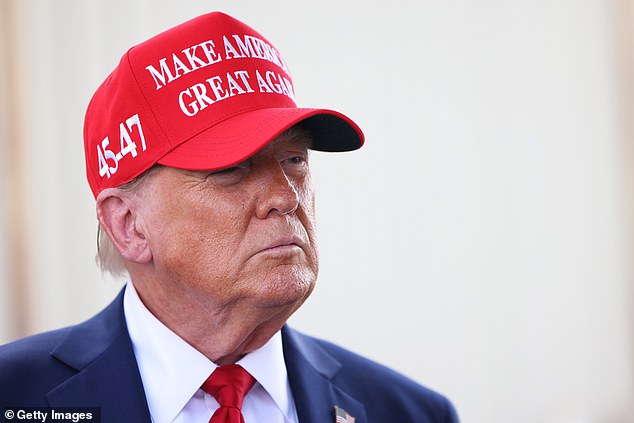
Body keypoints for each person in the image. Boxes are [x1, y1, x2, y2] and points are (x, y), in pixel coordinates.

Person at [0, 11, 459, 423]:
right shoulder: (15, 397)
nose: (283, 195)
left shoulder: (409, 412)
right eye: (230, 169)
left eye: (294, 159)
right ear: (128, 224)